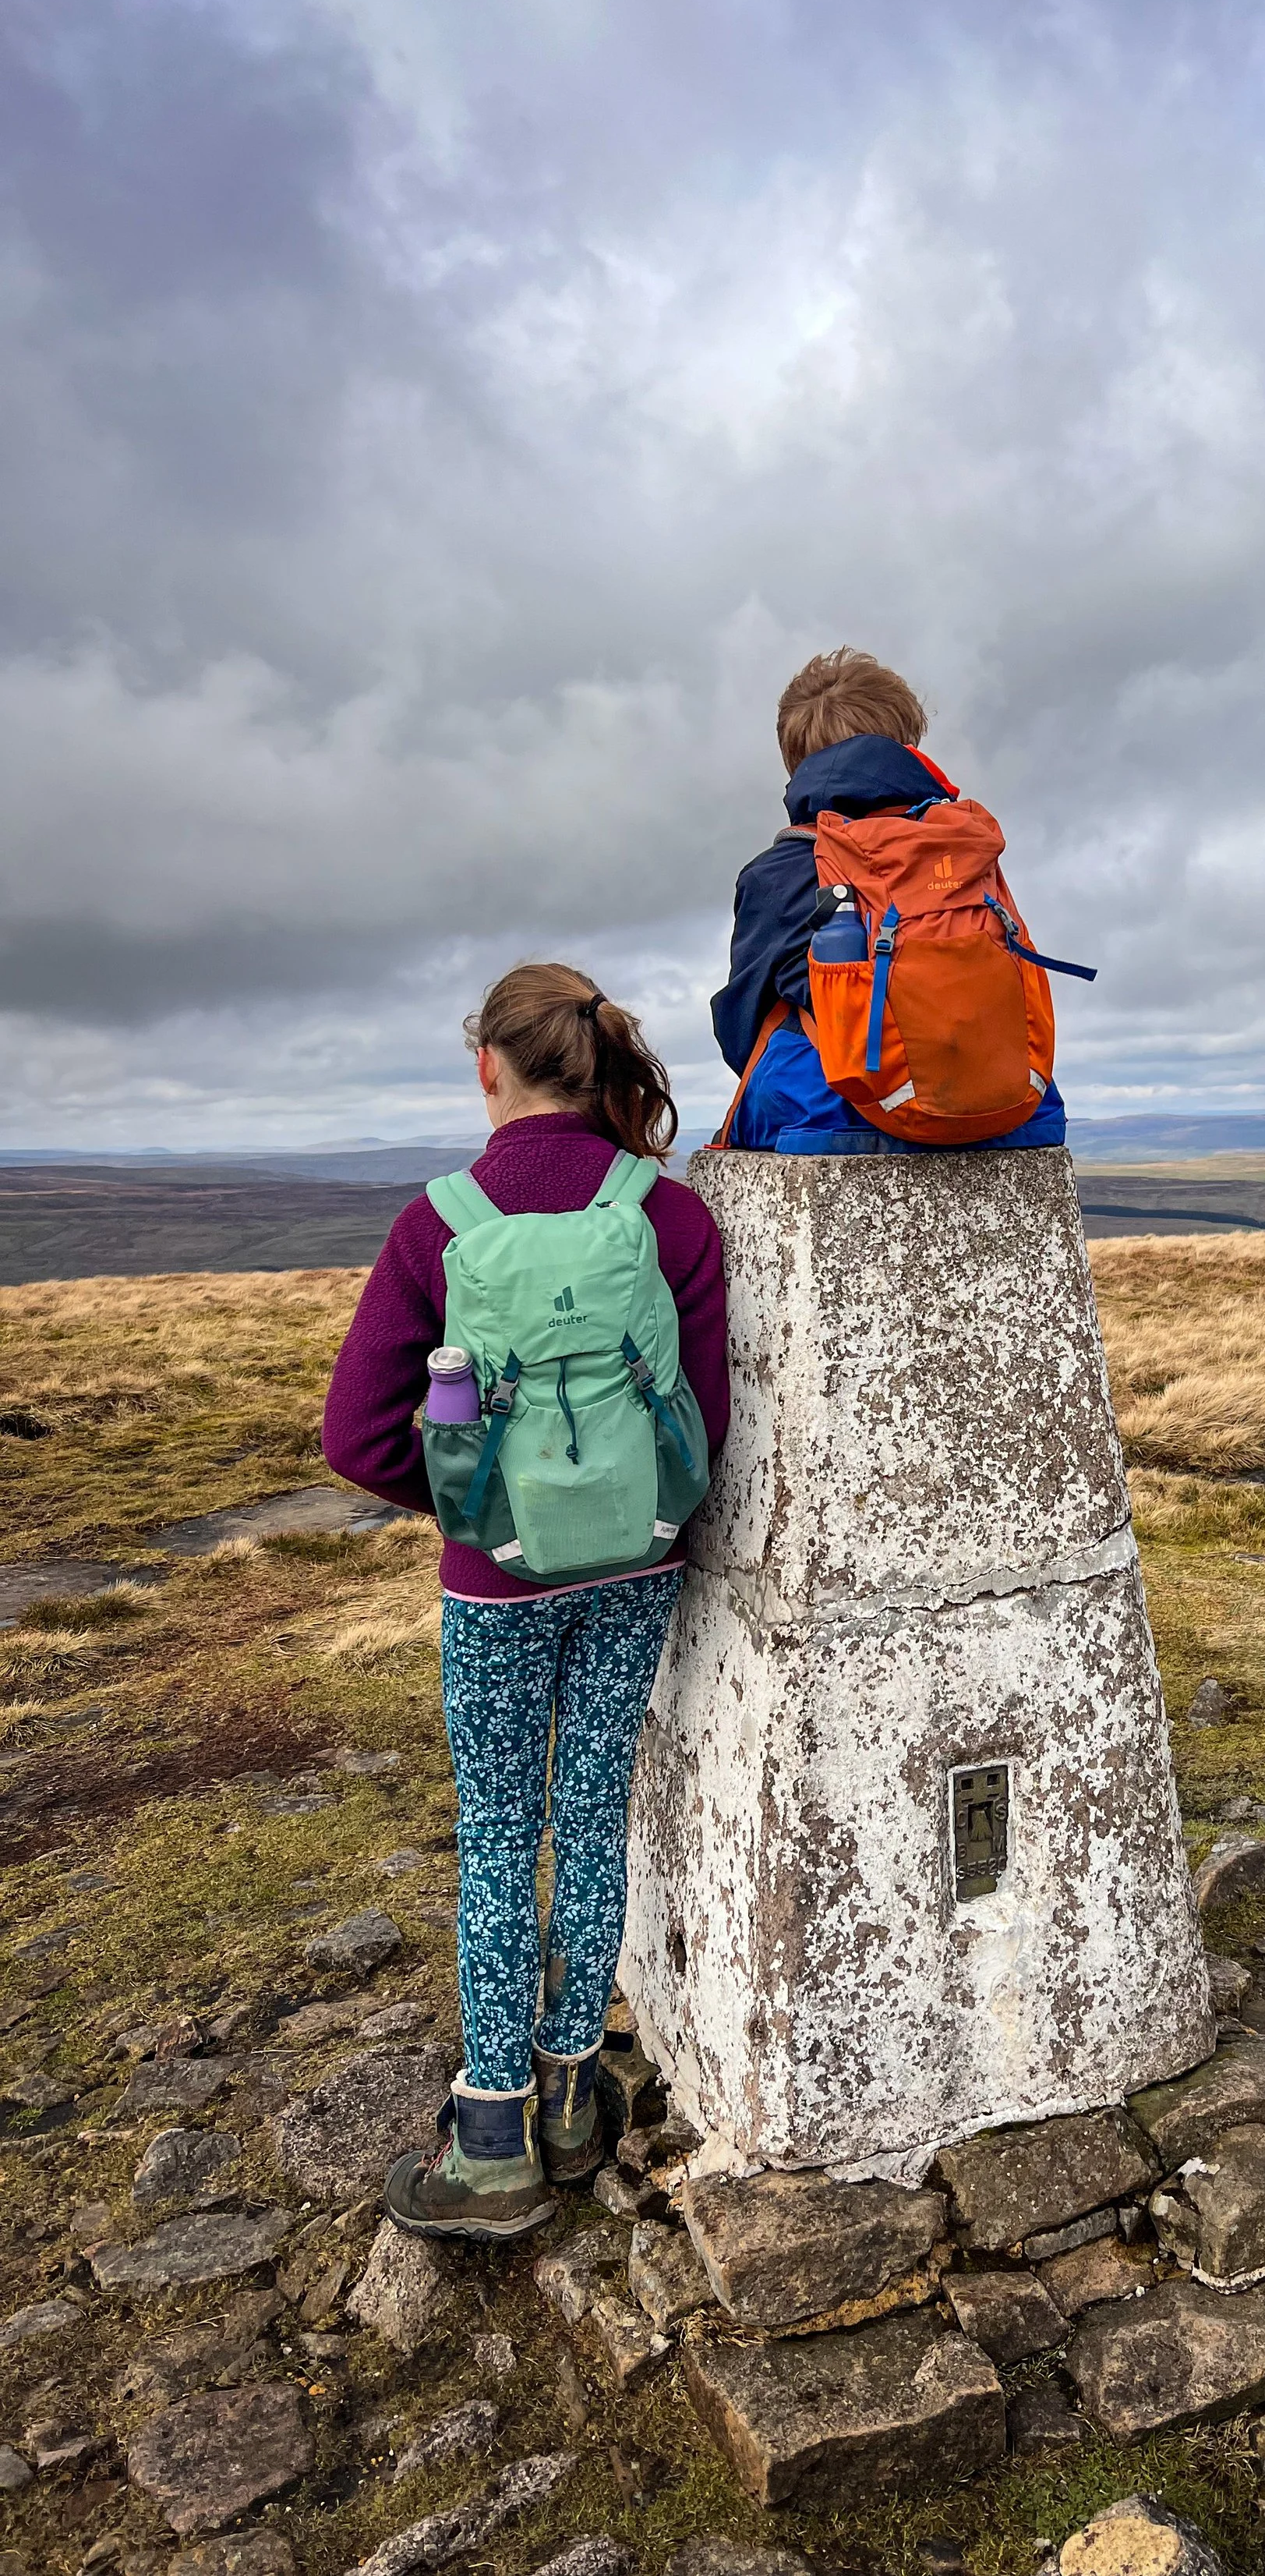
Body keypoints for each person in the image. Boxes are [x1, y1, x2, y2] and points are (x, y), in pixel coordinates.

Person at [322, 963, 728, 2240]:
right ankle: (571, 2099)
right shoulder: (670, 1216)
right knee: (594, 1809)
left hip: (494, 1584)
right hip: (637, 1567)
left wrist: (477, 1511)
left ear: (487, 1065)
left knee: (502, 1836)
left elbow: (354, 1435)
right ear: (600, 1063)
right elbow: (702, 1424)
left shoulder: (437, 1220)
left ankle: (490, 2138)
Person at [712, 647, 1070, 1152]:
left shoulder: (779, 870)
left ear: (795, 762)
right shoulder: (960, 847)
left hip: (833, 1111)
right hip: (1012, 1109)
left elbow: (741, 1024)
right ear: (908, 746)